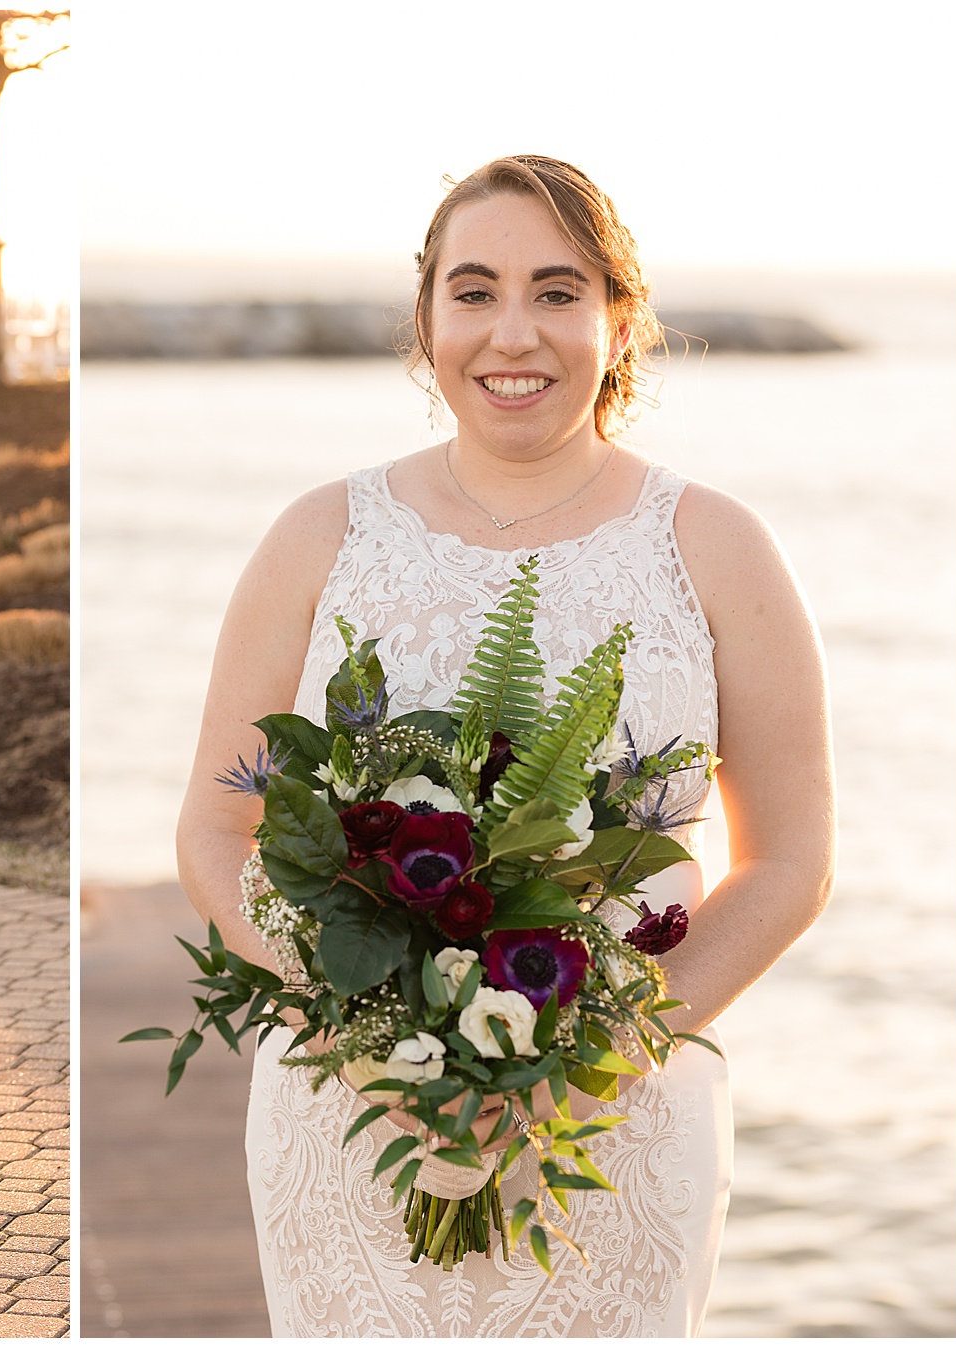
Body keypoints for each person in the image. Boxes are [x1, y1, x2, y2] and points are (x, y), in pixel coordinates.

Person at [175, 156, 834, 1336]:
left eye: (558, 290)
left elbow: (790, 863)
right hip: (354, 1110)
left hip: (615, 1118)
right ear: (425, 317)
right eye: (473, 291)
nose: (512, 332)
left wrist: (585, 1065)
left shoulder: (720, 545)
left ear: (618, 318)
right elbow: (220, 827)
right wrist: (359, 1035)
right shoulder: (318, 534)